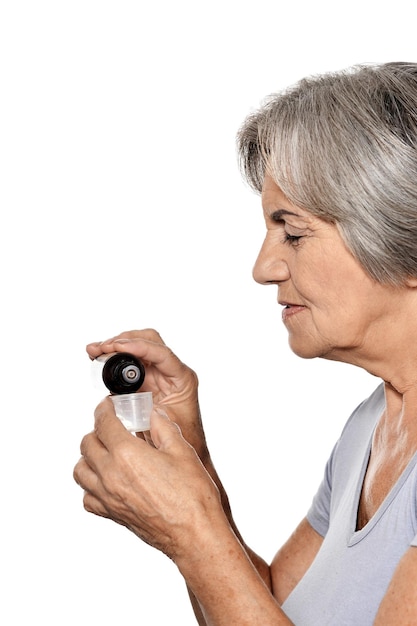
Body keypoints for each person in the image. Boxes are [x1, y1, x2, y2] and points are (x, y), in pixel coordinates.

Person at [73, 62, 417, 625]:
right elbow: (275, 608)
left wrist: (192, 533)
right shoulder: (372, 425)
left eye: (293, 232)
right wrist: (190, 459)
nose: (263, 267)